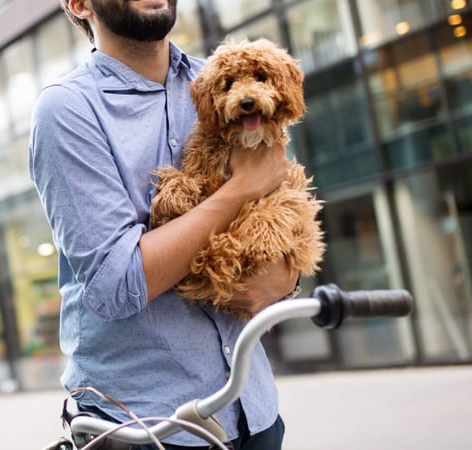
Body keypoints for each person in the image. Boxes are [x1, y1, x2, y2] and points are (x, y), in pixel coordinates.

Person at [28, 1, 298, 448]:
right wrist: (240, 188)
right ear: (79, 4)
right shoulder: (67, 110)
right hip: (145, 427)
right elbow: (117, 283)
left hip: (254, 414)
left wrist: (285, 280)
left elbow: (283, 209)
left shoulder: (223, 82)